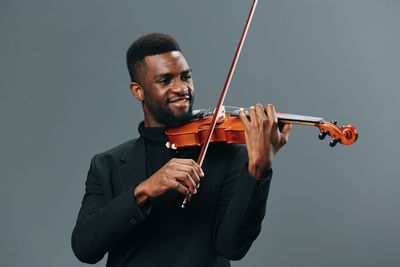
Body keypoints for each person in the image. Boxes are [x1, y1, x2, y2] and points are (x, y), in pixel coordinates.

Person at [71, 33, 291, 267]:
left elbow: (232, 246)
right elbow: (85, 247)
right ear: (138, 91)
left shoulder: (229, 156)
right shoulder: (107, 165)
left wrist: (258, 168)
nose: (180, 88)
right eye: (164, 81)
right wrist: (144, 190)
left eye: (185, 77)